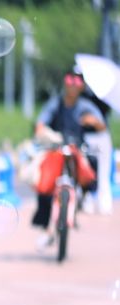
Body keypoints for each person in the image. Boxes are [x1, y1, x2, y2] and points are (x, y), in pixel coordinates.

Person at [32, 71, 106, 250]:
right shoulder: (55, 103)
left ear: (82, 86)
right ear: (64, 84)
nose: (72, 85)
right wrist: (41, 130)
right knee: (45, 180)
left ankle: (86, 195)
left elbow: (102, 125)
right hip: (56, 147)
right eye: (69, 80)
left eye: (77, 81)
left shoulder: (85, 106)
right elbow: (41, 122)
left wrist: (94, 122)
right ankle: (45, 227)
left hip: (78, 147)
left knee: (92, 163)